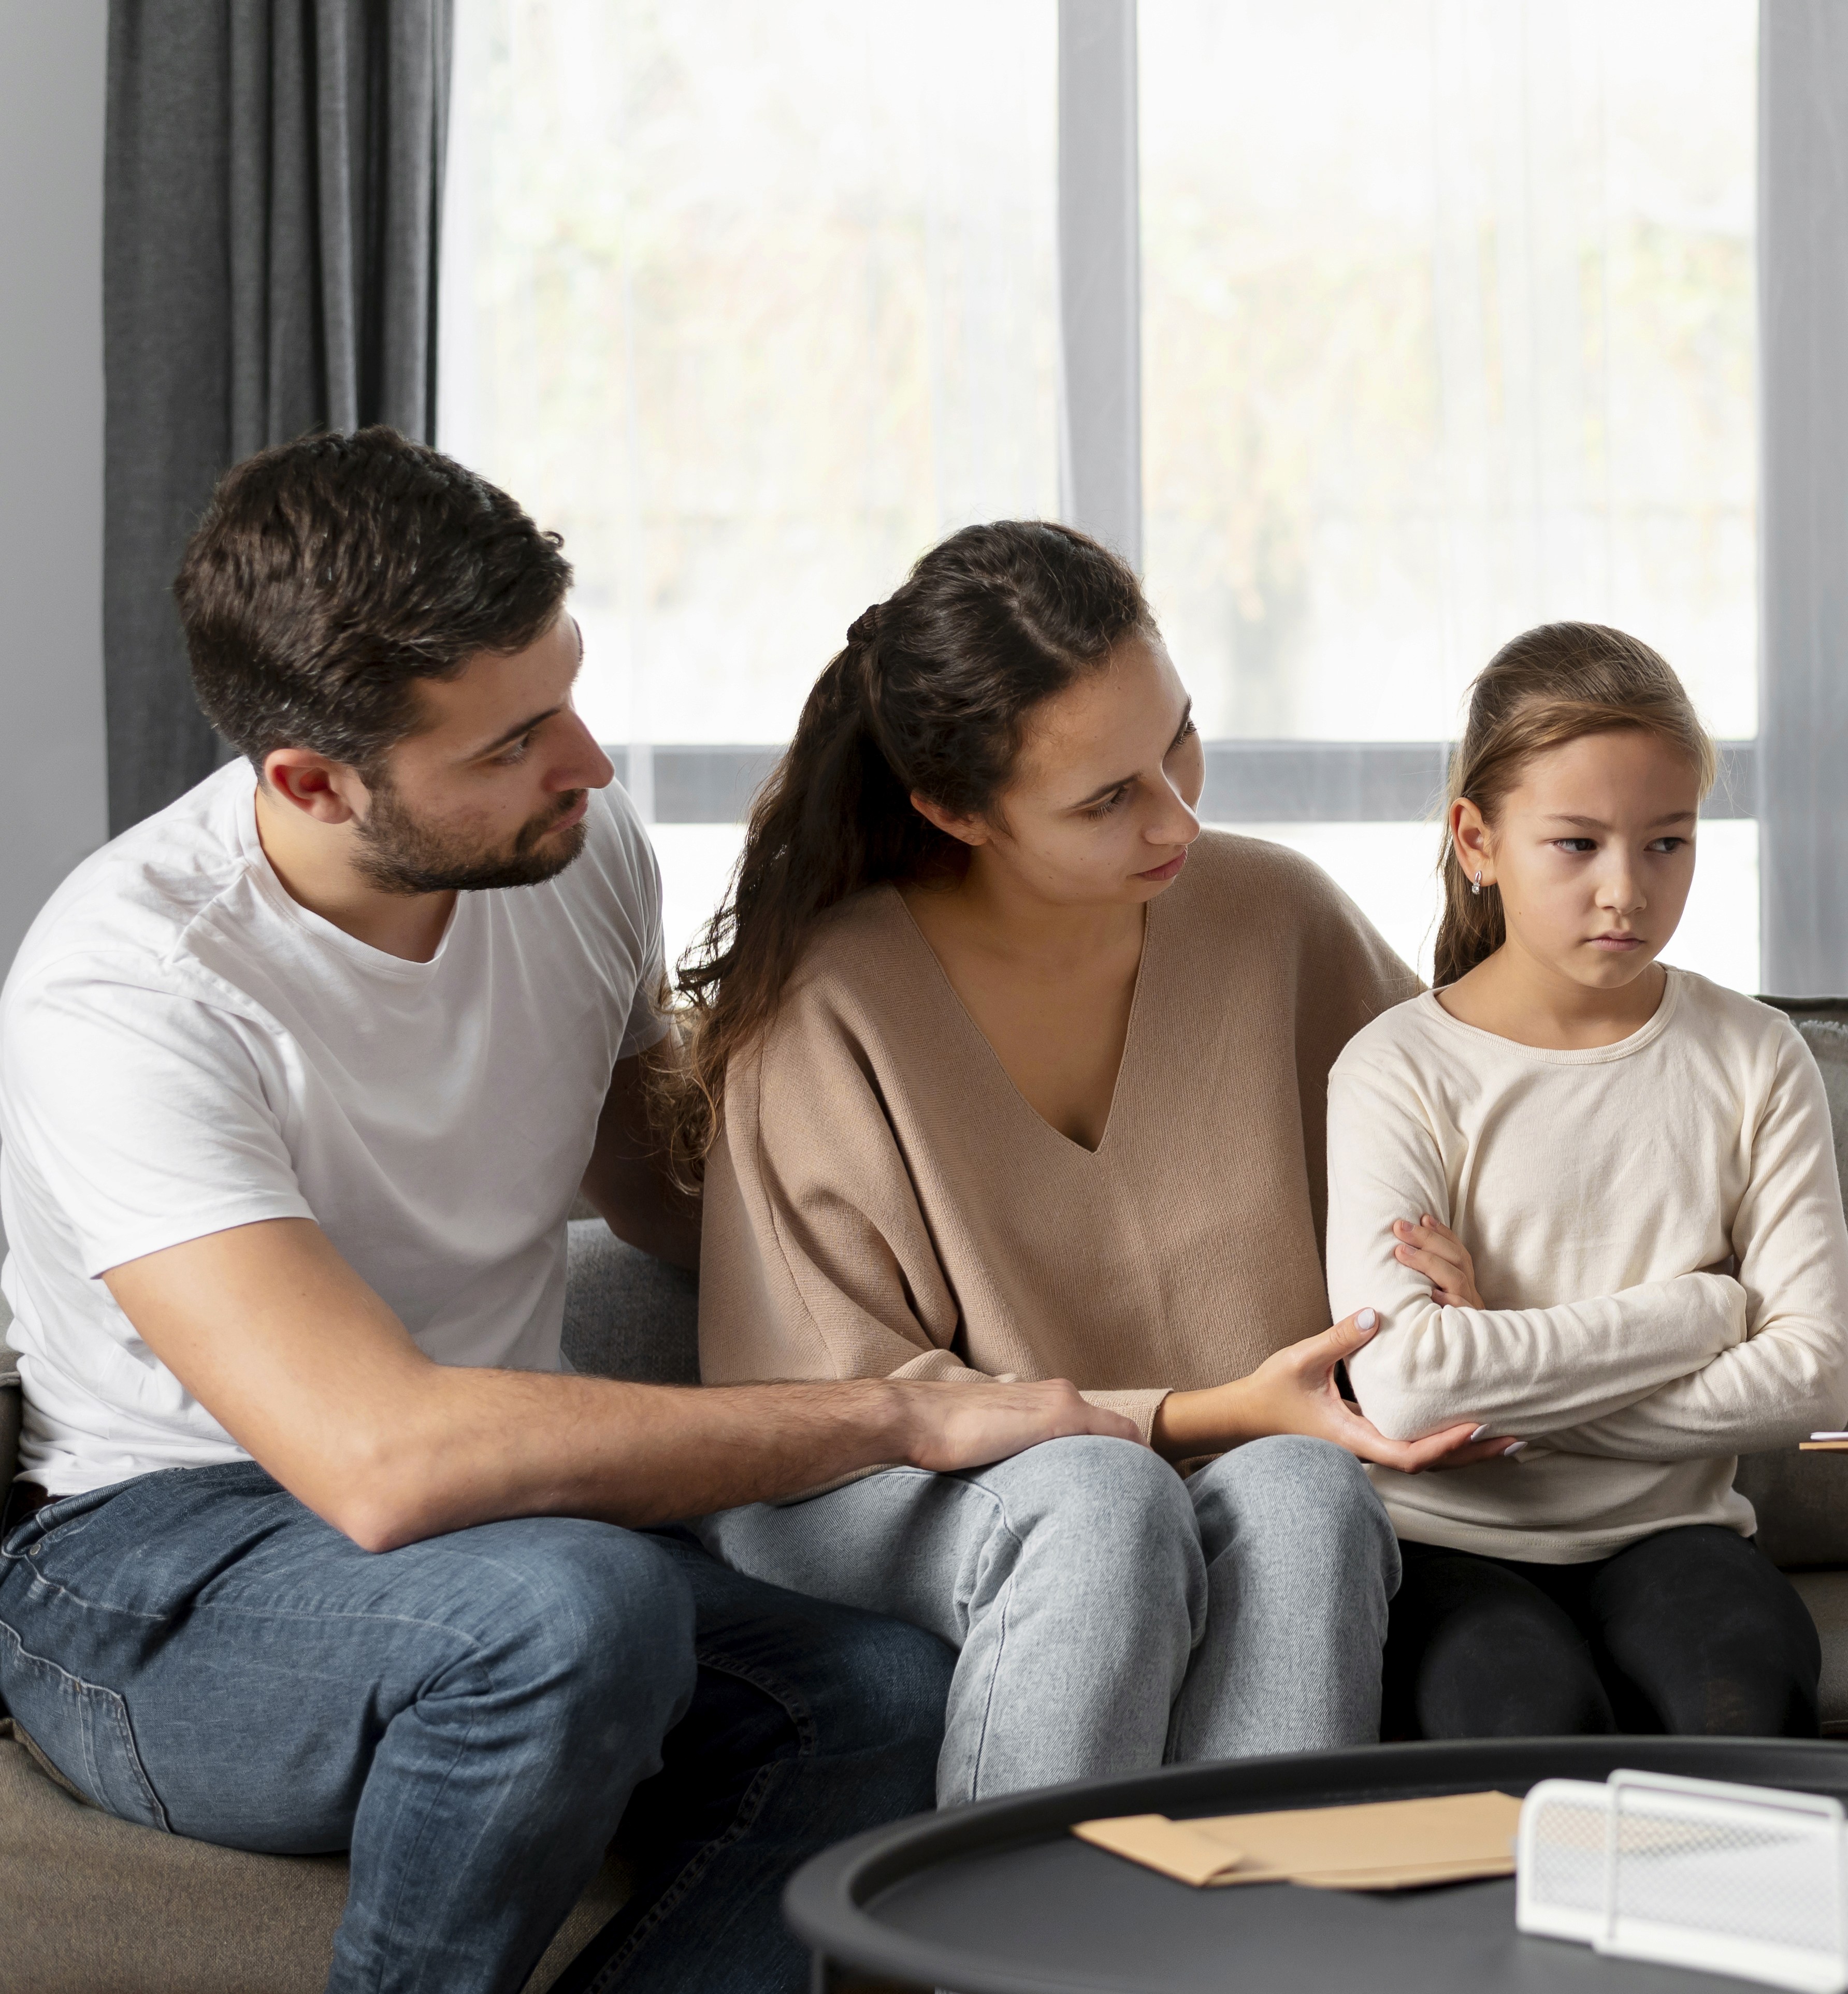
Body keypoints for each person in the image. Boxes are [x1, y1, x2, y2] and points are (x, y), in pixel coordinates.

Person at [0, 430, 1121, 1994]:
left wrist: (991, 1237)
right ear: (315, 781)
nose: (587, 761)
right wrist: (893, 1416)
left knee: (879, 1691)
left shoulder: (572, 865)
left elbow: (664, 1201)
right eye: (513, 739)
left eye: (570, 689)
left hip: (500, 1536)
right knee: (567, 1607)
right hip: (160, 1570)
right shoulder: (131, 990)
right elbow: (381, 1460)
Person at [675, 521, 1507, 1802]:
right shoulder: (825, 1005)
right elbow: (852, 1402)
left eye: (1176, 737)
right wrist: (1192, 1415)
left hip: (1233, 1448)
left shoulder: (1273, 914)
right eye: (1106, 796)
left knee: (1302, 1492)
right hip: (886, 1477)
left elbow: (1469, 1135)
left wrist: (1459, 1249)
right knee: (1098, 1500)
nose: (1176, 813)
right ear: (956, 810)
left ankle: (1254, 1953)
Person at [1327, 623, 1848, 1741]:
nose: (1626, 891)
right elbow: (1411, 1389)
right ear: (1477, 839)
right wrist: (1698, 1311)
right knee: (1521, 1713)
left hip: (1674, 1533)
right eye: (1575, 844)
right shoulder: (1395, 1068)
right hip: (1443, 1540)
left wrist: (1515, 1382)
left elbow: (1811, 1377)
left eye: (1667, 843)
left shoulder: (1754, 1055)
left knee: (1741, 1699)